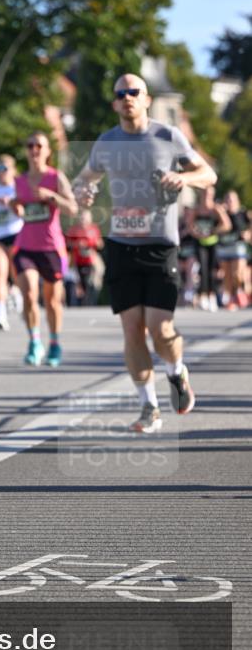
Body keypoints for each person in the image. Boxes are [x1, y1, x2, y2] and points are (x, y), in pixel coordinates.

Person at [73, 72, 217, 433]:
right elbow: (83, 178)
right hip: (121, 245)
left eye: (134, 92)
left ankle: (176, 370)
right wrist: (83, 192)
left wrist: (185, 179)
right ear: (114, 103)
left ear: (147, 99)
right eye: (121, 93)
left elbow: (209, 174)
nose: (127, 98)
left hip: (160, 244)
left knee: (160, 327)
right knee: (132, 329)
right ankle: (148, 407)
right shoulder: (106, 143)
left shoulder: (168, 136)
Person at [12, 132, 77, 366]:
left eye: (39, 145)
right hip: (25, 246)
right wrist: (15, 206)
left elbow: (72, 208)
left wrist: (51, 196)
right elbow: (17, 206)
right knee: (29, 293)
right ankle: (34, 341)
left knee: (52, 301)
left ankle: (55, 343)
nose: (34, 150)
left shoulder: (56, 178)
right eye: (30, 145)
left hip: (51, 248)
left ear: (48, 151)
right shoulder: (19, 181)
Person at [0, 155, 23, 330]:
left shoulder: (19, 187)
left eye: (5, 168)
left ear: (13, 170)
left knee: (16, 273)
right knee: (0, 273)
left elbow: (24, 212)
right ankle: (0, 314)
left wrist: (13, 204)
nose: (1, 172)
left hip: (15, 233)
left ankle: (17, 293)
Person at [186, 186, 230, 311]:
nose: (207, 196)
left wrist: (213, 231)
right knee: (202, 268)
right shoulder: (196, 210)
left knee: (212, 270)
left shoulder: (215, 209)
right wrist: (197, 233)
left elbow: (227, 225)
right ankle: (203, 295)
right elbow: (189, 226)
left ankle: (212, 296)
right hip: (200, 243)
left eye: (209, 194)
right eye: (205, 194)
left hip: (212, 243)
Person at [217, 190, 250, 310]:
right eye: (228, 199)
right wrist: (221, 211)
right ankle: (231, 298)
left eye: (232, 200)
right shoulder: (221, 213)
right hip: (224, 247)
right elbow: (216, 227)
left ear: (237, 201)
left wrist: (248, 234)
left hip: (238, 247)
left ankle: (239, 291)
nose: (230, 202)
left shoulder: (243, 213)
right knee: (227, 276)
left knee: (237, 274)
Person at [65, 208, 104, 306]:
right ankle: (76, 303)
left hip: (90, 260)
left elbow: (100, 244)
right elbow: (67, 244)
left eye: (85, 217)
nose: (83, 219)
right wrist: (77, 244)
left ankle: (91, 302)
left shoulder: (94, 229)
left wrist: (91, 244)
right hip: (76, 261)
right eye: (82, 217)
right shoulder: (73, 230)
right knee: (76, 283)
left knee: (94, 279)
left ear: (90, 218)